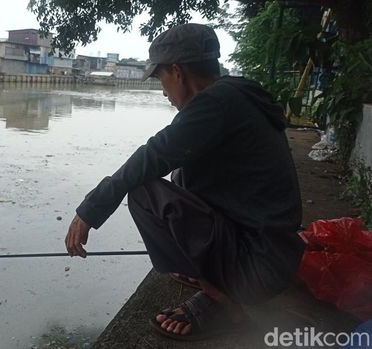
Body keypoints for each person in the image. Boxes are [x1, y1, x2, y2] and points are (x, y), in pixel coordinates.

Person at [65, 23, 304, 341]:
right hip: (275, 256)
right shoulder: (235, 95)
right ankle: (213, 276)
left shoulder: (213, 104)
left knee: (143, 191)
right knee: (181, 173)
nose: (163, 91)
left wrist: (89, 211)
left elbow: (150, 157)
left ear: (177, 71)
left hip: (257, 268)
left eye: (160, 78)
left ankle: (220, 298)